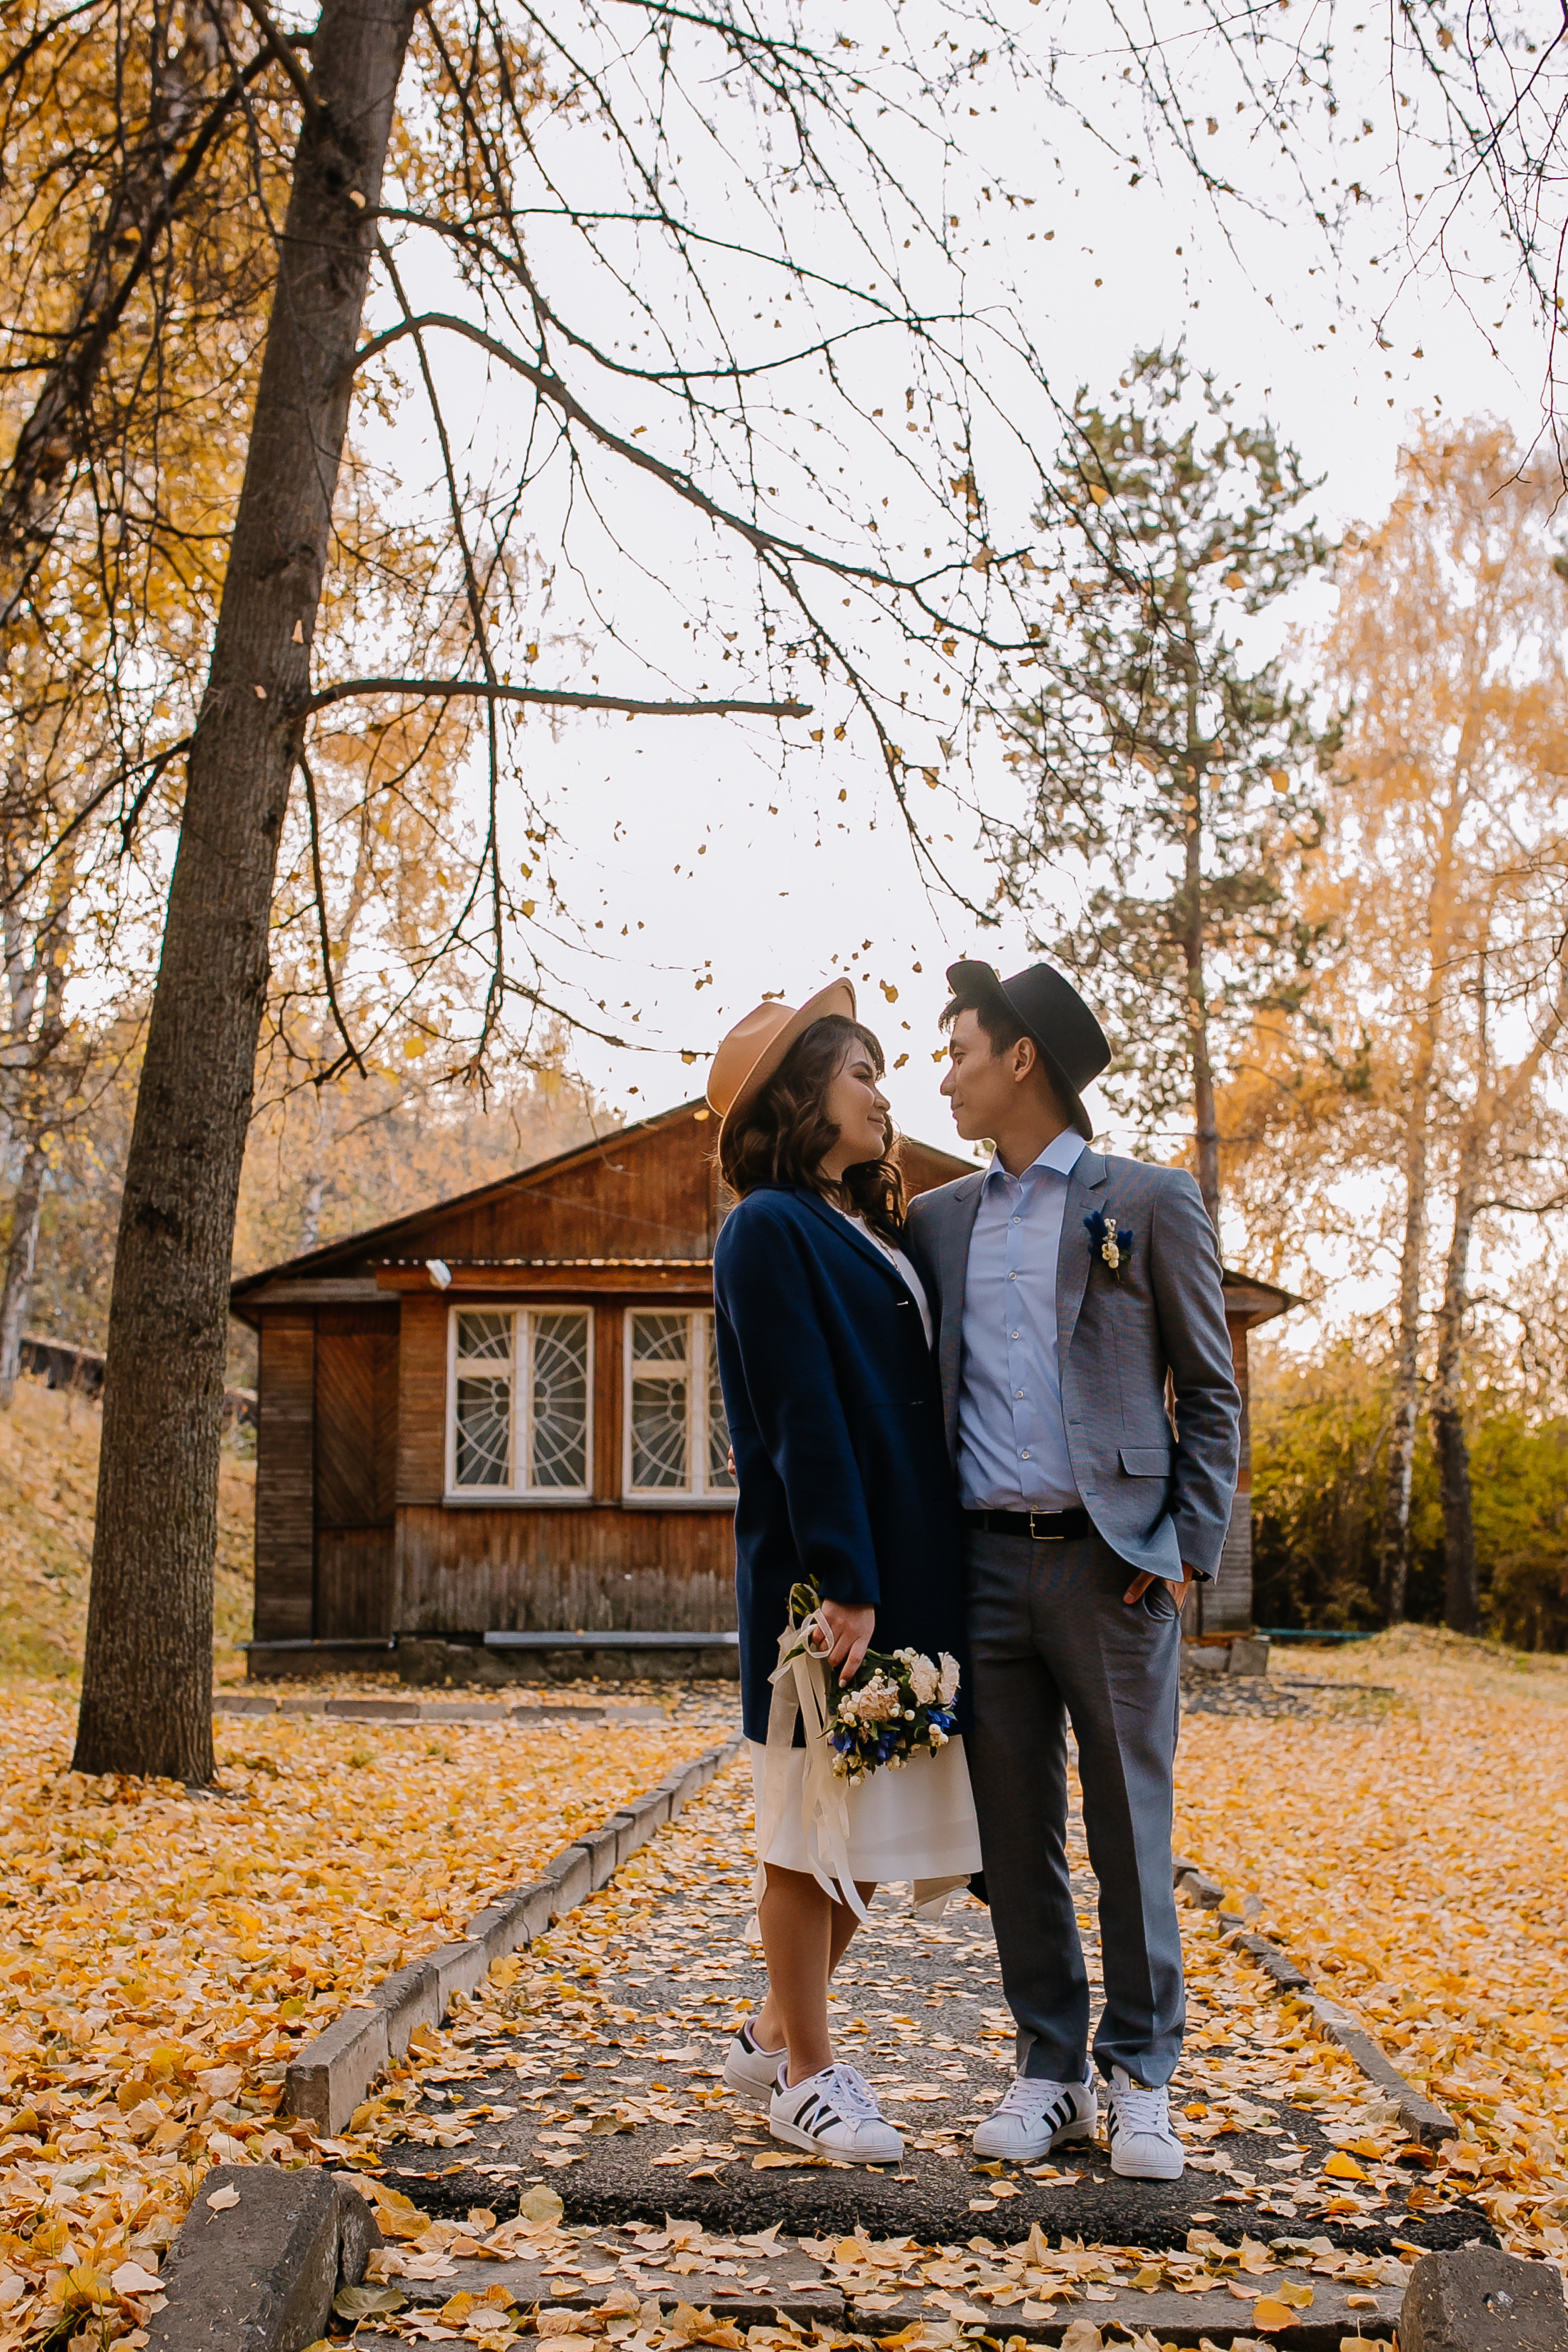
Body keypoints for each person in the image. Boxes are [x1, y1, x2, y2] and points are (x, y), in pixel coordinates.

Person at [904, 960, 1241, 2182]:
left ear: (1022, 1059)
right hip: (983, 1569)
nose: (943, 1076)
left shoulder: (1146, 1202)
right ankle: (1050, 2069)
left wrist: (1182, 1551)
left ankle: (1142, 2076)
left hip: (1115, 1571)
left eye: (958, 1051)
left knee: (1131, 1831)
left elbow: (1210, 1395)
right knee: (1015, 1833)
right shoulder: (936, 1220)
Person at [706, 981, 982, 2166]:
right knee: (806, 1823)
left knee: (861, 1825)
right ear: (799, 1093)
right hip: (825, 1581)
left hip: (902, 1567)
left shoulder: (865, 1227)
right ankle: (809, 2077)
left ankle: (773, 2029)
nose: (884, 1091)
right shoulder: (767, 1228)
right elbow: (801, 1417)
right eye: (861, 1071)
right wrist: (844, 1579)